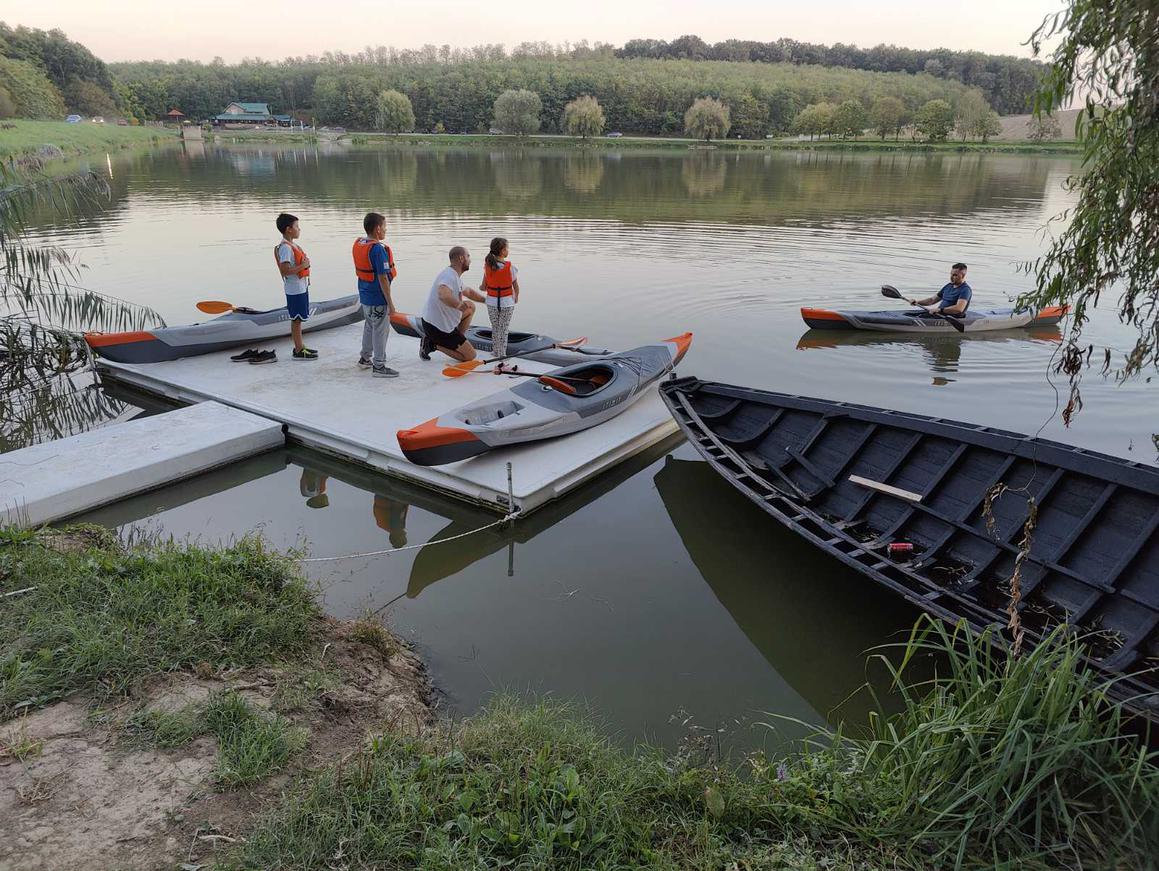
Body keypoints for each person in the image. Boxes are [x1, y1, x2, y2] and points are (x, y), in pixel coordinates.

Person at [419, 246, 486, 362]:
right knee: (470, 356)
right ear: (461, 258)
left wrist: (486, 300)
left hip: (437, 321)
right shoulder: (448, 276)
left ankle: (457, 341)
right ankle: (432, 344)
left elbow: (469, 292)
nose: (470, 260)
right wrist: (458, 305)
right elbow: (443, 294)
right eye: (468, 256)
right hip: (436, 327)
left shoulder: (453, 275)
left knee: (470, 307)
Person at [353, 212, 399, 378]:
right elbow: (382, 278)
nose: (386, 230)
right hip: (378, 298)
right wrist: (391, 305)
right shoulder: (378, 250)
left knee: (369, 326)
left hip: (365, 297)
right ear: (378, 229)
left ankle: (365, 359)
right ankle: (379, 366)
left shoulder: (360, 243)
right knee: (380, 331)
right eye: (385, 226)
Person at [274, 212, 317, 360]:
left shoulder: (293, 245)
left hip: (301, 287)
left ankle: (300, 346)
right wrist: (303, 266)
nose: (299, 229)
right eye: (297, 226)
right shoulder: (286, 248)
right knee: (297, 319)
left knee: (299, 318)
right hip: (294, 289)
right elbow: (285, 270)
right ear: (288, 229)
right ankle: (298, 350)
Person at [481, 236, 521, 357]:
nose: (508, 250)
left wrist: (481, 288)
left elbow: (483, 286)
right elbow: (516, 286)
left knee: (495, 327)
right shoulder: (510, 267)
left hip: (491, 302)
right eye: (507, 248)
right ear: (503, 251)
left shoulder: (487, 266)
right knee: (503, 329)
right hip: (507, 303)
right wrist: (517, 297)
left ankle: (495, 351)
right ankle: (502, 355)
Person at [908, 262, 972, 317]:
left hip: (950, 317)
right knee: (909, 314)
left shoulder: (965, 290)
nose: (951, 277)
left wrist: (940, 310)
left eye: (955, 275)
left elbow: (959, 308)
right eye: (951, 274)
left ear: (963, 276)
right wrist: (917, 302)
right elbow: (932, 300)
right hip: (938, 314)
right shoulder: (948, 286)